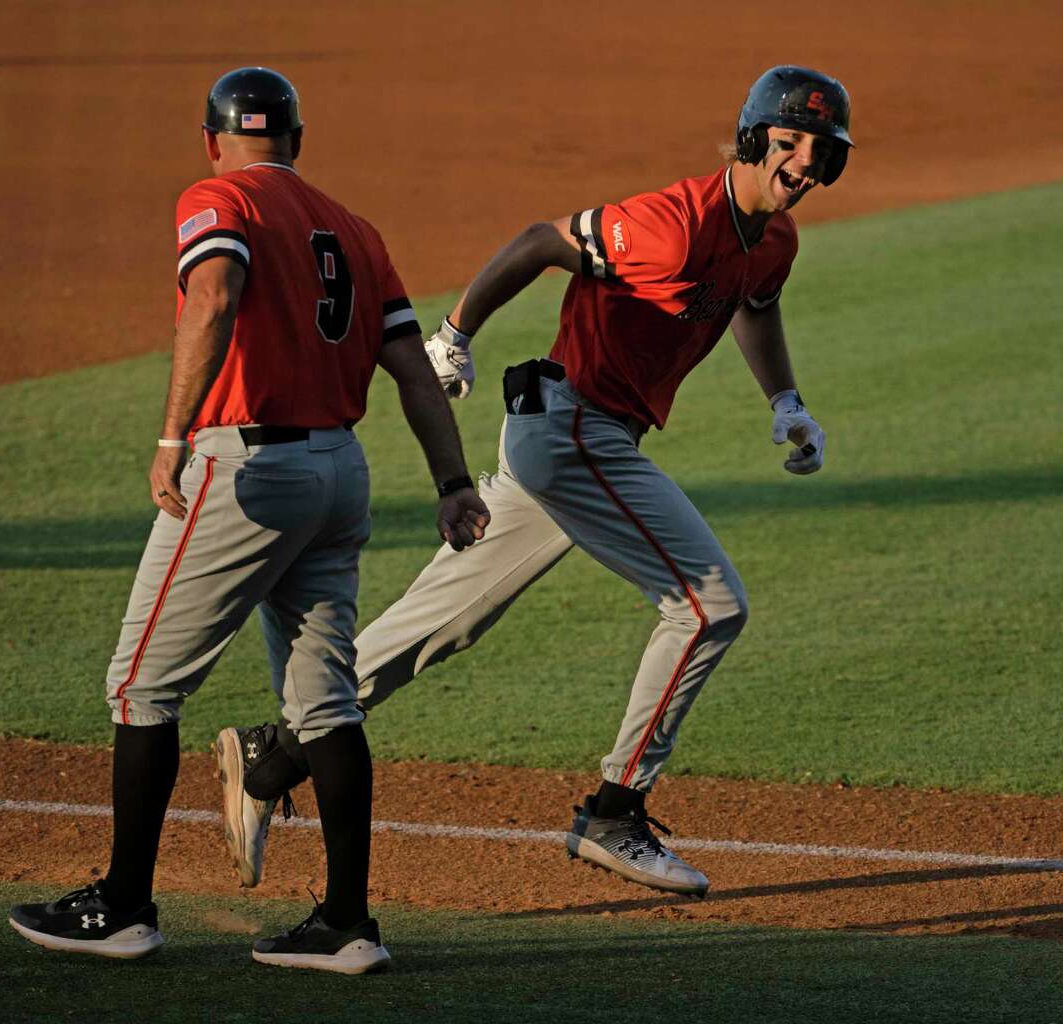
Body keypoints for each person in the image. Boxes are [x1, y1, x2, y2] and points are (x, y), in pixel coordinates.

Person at [221, 65, 853, 899]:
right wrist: (455, 333)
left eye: (820, 153)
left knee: (445, 621)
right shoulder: (670, 226)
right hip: (574, 429)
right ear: (750, 138)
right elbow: (541, 242)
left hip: (568, 439)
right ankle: (615, 813)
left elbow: (754, 305)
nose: (803, 163)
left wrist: (785, 401)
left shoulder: (775, 242)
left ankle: (271, 757)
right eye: (789, 142)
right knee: (709, 607)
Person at [7, 66, 489, 973]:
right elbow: (412, 368)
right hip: (340, 474)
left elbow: (215, 296)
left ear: (211, 140)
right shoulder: (355, 229)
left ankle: (123, 907)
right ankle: (347, 925)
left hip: (249, 470)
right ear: (296, 141)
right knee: (325, 703)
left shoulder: (216, 197)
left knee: (142, 685)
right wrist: (453, 480)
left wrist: (172, 436)